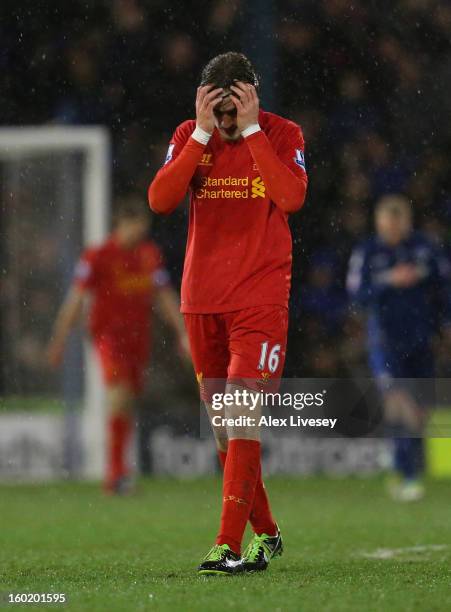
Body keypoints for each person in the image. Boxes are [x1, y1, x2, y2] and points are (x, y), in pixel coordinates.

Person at [148, 52, 308, 574]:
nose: (226, 122)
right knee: (223, 428)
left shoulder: (283, 134)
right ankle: (268, 532)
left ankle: (227, 546)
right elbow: (161, 201)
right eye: (218, 112)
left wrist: (255, 129)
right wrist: (198, 136)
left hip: (259, 297)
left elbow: (290, 198)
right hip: (202, 299)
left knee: (241, 412)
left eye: (233, 109)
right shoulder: (191, 135)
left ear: (251, 99)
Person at [48, 196, 188, 494]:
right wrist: (60, 339)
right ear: (122, 224)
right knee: (119, 394)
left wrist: (182, 333)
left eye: (143, 229)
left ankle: (119, 471)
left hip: (139, 338)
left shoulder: (149, 255)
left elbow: (164, 296)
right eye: (136, 227)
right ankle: (114, 474)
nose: (139, 234)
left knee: (127, 400)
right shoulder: (97, 256)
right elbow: (76, 298)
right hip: (108, 337)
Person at [347, 194, 451, 501]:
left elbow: (444, 288)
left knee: (420, 408)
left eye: (399, 222)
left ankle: (404, 461)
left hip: (422, 339)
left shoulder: (425, 249)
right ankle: (408, 473)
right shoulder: (367, 252)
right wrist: (389, 280)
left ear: (407, 221)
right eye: (389, 223)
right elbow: (356, 296)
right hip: (385, 341)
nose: (394, 228)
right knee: (397, 399)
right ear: (379, 223)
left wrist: (446, 324)